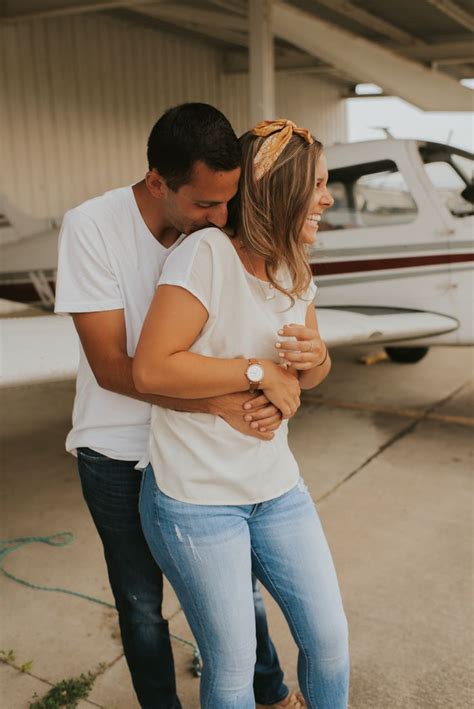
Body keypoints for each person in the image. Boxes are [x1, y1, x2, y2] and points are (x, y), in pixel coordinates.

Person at [54, 104, 300, 709]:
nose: (221, 218)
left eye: (228, 202)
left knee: (236, 594)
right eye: (205, 205)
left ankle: (269, 694)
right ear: (157, 181)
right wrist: (221, 398)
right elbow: (115, 367)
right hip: (118, 451)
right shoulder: (91, 227)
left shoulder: (216, 227)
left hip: (200, 455)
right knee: (140, 605)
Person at [134, 119, 350, 708]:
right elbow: (151, 369)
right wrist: (257, 371)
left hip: (277, 487)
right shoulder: (205, 253)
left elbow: (310, 375)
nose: (329, 198)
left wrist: (317, 357)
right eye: (319, 185)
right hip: (196, 499)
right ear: (280, 189)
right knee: (232, 665)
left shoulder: (293, 268)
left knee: (329, 640)